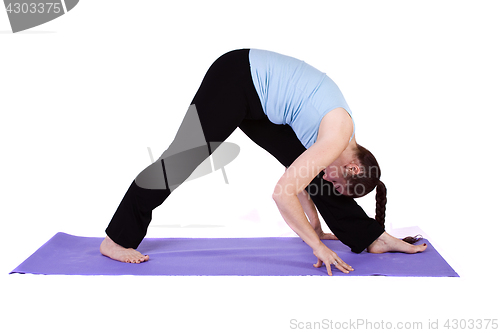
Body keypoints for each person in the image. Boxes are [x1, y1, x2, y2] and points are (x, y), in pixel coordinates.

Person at [100, 49, 427, 275]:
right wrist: (316, 246)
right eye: (337, 182)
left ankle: (372, 237)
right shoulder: (334, 139)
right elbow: (283, 191)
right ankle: (116, 239)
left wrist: (313, 226)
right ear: (354, 168)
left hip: (263, 99)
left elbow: (297, 174)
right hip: (236, 78)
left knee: (312, 173)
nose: (328, 180)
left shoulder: (338, 143)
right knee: (183, 158)